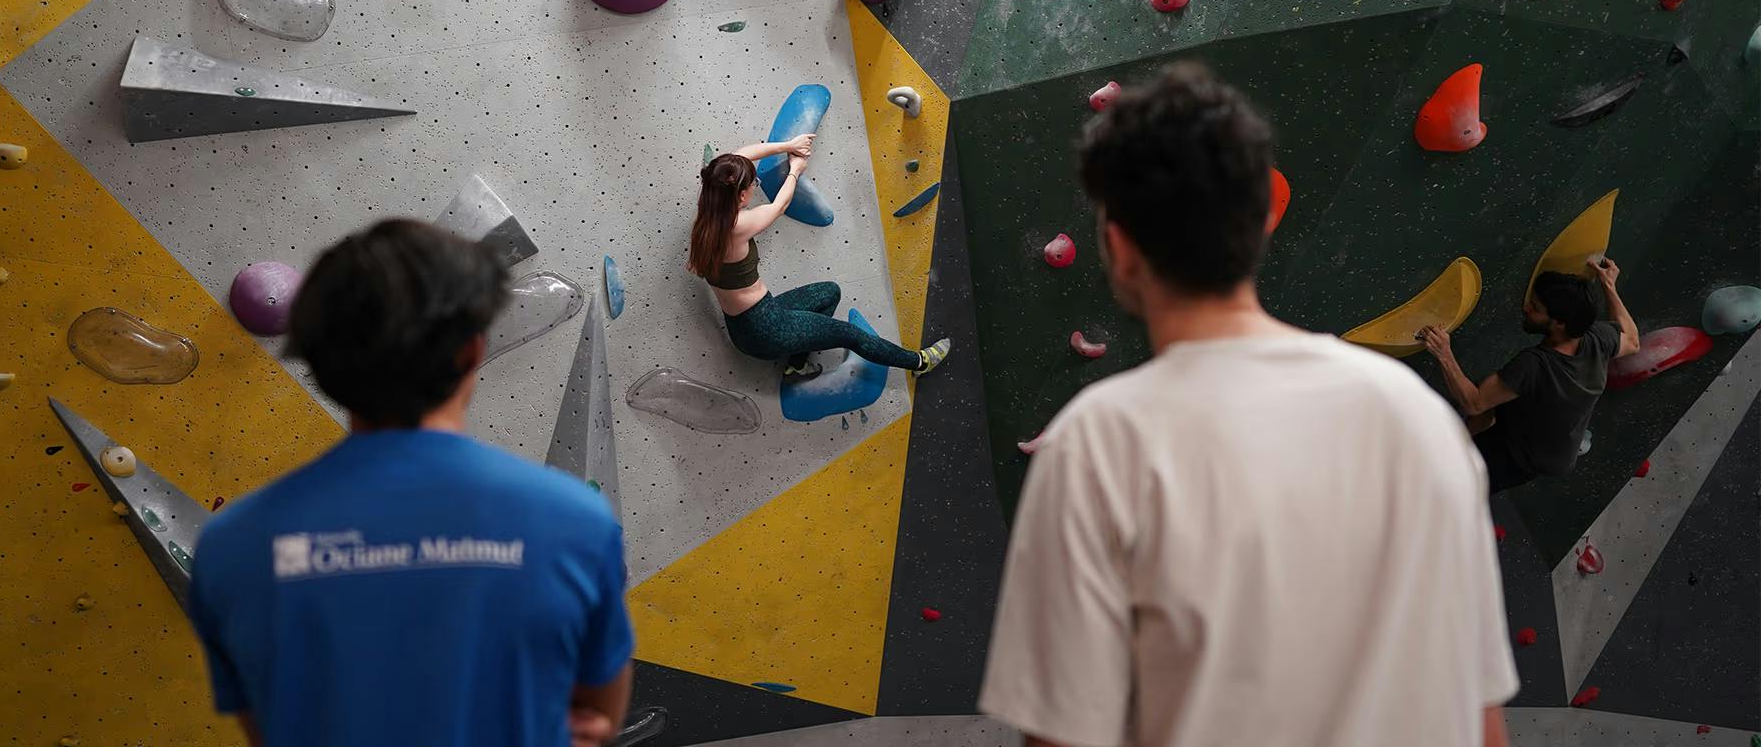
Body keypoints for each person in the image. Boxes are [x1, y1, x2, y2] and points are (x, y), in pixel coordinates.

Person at [979, 63, 1517, 747]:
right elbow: (1479, 722)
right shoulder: (1415, 417)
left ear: (1117, 246)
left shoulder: (1102, 440)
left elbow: (1062, 735)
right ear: (1262, 224)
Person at [186, 220, 634, 747]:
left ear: (323, 364)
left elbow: (273, 730)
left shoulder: (232, 548)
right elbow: (597, 720)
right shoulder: (575, 524)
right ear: (471, 352)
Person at [688, 134, 950, 378]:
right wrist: (795, 170)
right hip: (766, 330)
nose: (756, 186)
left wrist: (790, 145)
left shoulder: (710, 205)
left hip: (749, 322)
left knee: (829, 293)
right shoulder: (737, 226)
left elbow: (741, 155)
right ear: (741, 195)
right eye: (753, 184)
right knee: (850, 335)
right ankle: (919, 362)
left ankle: (797, 366)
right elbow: (779, 207)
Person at [1418, 260, 1640, 493]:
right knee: (1492, 397)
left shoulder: (1534, 365)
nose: (1526, 308)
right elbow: (1632, 340)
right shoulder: (1597, 338)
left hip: (1517, 456)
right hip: (1546, 436)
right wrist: (1609, 286)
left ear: (1559, 324)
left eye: (1535, 307)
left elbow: (1474, 403)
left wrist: (1444, 353)